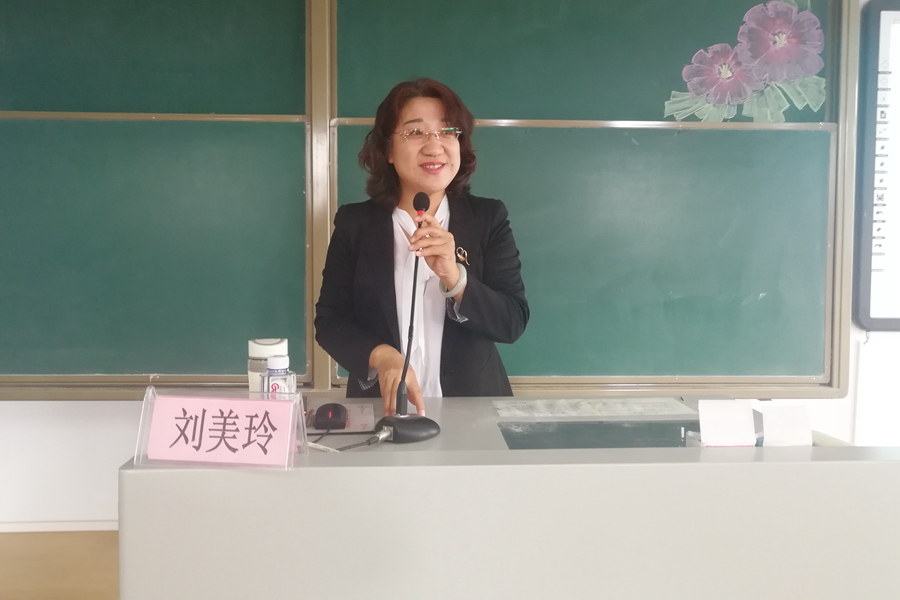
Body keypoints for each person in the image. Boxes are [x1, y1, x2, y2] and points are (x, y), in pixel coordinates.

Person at [314, 78, 528, 416]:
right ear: (388, 150)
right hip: (383, 411)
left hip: (473, 414)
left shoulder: (488, 218)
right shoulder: (356, 224)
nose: (434, 146)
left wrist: (456, 278)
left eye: (447, 131)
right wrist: (381, 356)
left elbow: (511, 322)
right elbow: (330, 322)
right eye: (415, 132)